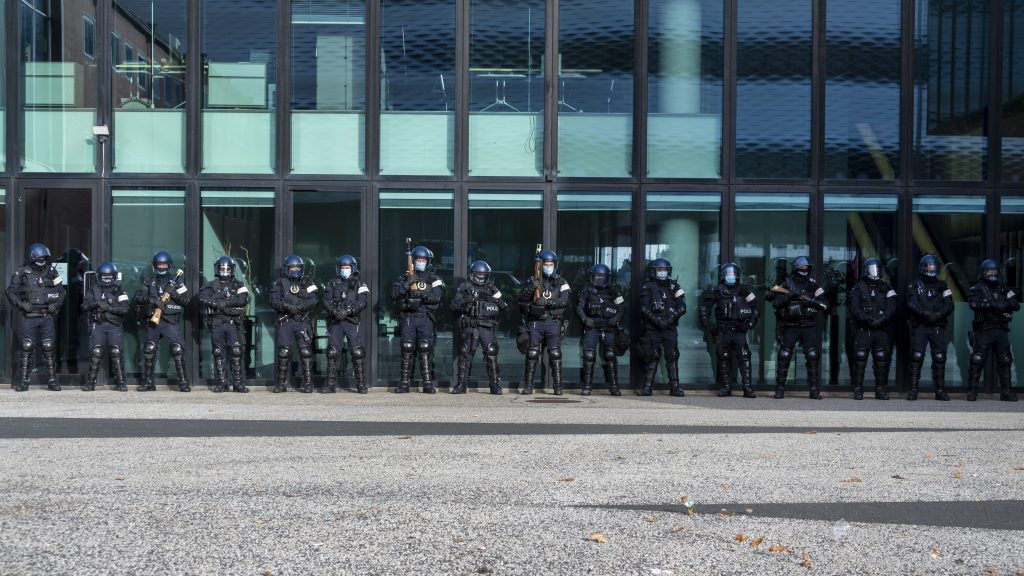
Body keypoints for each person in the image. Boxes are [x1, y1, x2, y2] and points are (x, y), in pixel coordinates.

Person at [7, 244, 66, 391]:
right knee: (27, 347)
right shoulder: (22, 272)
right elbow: (10, 292)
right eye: (40, 258)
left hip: (47, 315)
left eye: (45, 258)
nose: (43, 261)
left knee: (48, 346)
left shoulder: (52, 272)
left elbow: (61, 292)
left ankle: (52, 381)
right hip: (29, 315)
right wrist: (21, 304)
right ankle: (23, 381)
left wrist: (56, 305)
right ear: (32, 258)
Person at [769, 256, 828, 399]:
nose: (805, 270)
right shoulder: (787, 283)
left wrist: (810, 304)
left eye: (807, 267)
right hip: (790, 325)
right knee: (784, 355)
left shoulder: (813, 285)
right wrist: (789, 296)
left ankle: (814, 390)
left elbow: (824, 304)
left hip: (808, 325)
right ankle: (779, 389)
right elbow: (776, 303)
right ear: (796, 267)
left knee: (813, 356)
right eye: (802, 267)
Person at [134, 251, 191, 392]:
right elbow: (138, 297)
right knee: (149, 349)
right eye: (159, 265)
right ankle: (148, 382)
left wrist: (174, 293)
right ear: (154, 266)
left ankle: (183, 382)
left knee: (177, 350)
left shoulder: (177, 282)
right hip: (154, 321)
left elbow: (186, 301)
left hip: (170, 321)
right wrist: (153, 300)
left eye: (164, 264)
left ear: (169, 265)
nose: (161, 267)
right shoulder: (149, 282)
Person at [699, 262, 758, 398]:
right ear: (723, 276)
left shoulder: (745, 290)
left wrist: (749, 325)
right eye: (728, 274)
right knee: (723, 358)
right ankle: (726, 387)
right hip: (723, 331)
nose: (730, 276)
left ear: (737, 275)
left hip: (739, 331)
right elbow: (704, 310)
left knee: (744, 358)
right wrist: (710, 326)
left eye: (733, 274)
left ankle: (747, 388)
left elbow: (755, 309)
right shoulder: (717, 291)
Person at [392, 245, 444, 393]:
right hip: (408, 318)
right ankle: (404, 382)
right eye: (418, 260)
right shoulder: (404, 277)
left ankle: (427, 383)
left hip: (425, 318)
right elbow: (395, 295)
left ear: (428, 261)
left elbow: (437, 298)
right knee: (407, 348)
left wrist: (421, 298)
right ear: (413, 261)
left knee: (425, 348)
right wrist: (407, 284)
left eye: (423, 260)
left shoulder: (434, 278)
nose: (421, 262)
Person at [966, 259, 1020, 402]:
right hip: (984, 329)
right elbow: (973, 303)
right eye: (989, 271)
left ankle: (1006, 391)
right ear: (983, 272)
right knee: (977, 359)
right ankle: (972, 391)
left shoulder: (1004, 288)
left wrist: (1005, 305)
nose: (992, 274)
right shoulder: (976, 288)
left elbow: (1015, 304)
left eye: (995, 271)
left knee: (1005, 360)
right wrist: (993, 305)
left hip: (1001, 329)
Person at [518, 250, 570, 395]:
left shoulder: (562, 282)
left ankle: (558, 386)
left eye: (550, 264)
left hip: (553, 322)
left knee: (555, 353)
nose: (548, 267)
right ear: (540, 265)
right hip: (536, 323)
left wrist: (548, 302)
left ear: (555, 265)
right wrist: (530, 288)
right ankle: (528, 386)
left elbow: (564, 301)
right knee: (532, 353)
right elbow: (521, 299)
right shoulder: (533, 280)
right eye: (545, 264)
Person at [452, 260, 507, 394]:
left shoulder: (492, 288)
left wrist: (495, 300)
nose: (481, 277)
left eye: (484, 274)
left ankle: (494, 385)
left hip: (486, 327)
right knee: (465, 353)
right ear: (473, 273)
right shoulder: (464, 287)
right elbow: (453, 306)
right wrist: (465, 301)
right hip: (470, 325)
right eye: (479, 274)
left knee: (491, 352)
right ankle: (461, 384)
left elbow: (504, 306)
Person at [198, 257, 250, 393]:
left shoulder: (239, 284)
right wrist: (217, 304)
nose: (225, 271)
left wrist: (224, 303)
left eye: (227, 268)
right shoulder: (210, 285)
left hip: (233, 323)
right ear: (217, 269)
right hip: (216, 323)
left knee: (236, 351)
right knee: (218, 353)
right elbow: (202, 298)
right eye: (222, 268)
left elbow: (243, 300)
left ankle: (238, 384)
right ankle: (222, 383)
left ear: (232, 269)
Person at [846, 258, 896, 400]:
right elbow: (854, 308)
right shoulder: (858, 287)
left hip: (880, 329)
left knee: (881, 358)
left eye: (878, 269)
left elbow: (892, 307)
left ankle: (880, 390)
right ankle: (858, 389)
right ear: (866, 270)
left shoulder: (887, 288)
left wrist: (882, 320)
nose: (875, 272)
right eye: (872, 269)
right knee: (860, 357)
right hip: (864, 329)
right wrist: (866, 320)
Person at [906, 255, 953, 401]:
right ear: (922, 267)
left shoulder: (943, 285)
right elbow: (912, 304)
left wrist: (938, 315)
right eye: (928, 266)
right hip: (921, 325)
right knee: (917, 357)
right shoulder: (914, 285)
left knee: (939, 358)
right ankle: (913, 390)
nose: (931, 269)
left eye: (933, 266)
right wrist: (926, 314)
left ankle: (940, 391)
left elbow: (950, 304)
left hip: (937, 326)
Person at [270, 255, 319, 393]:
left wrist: (302, 307)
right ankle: (281, 383)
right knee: (283, 352)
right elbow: (273, 301)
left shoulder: (308, 282)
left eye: (297, 267)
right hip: (285, 321)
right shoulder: (279, 283)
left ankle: (308, 383)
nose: (295, 270)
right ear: (287, 269)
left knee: (305, 352)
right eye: (292, 268)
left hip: (301, 321)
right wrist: (287, 306)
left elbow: (315, 300)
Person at [638, 258, 686, 396]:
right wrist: (658, 321)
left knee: (672, 356)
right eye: (659, 269)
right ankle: (647, 388)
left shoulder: (675, 286)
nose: (662, 272)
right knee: (652, 357)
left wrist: (670, 319)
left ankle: (675, 387)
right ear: (654, 271)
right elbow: (644, 308)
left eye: (664, 269)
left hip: (670, 328)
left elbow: (682, 307)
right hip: (653, 328)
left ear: (668, 271)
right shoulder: (648, 287)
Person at [322, 255, 370, 394]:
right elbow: (326, 300)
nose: (345, 270)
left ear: (353, 268)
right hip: (336, 321)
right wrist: (334, 311)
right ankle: (330, 384)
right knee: (332, 352)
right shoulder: (332, 283)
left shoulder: (360, 284)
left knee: (357, 352)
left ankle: (361, 384)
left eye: (347, 268)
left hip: (351, 321)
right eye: (342, 268)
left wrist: (348, 311)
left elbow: (363, 302)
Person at [576, 263, 624, 396]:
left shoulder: (614, 290)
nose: (599, 278)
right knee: (589, 355)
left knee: (609, 355)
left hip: (609, 327)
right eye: (597, 275)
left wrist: (616, 319)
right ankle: (586, 386)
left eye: (602, 276)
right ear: (593, 276)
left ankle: (614, 386)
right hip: (592, 327)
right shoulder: (587, 290)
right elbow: (579, 307)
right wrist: (585, 319)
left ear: (607, 277)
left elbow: (621, 308)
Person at [80, 262, 129, 391]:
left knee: (116, 352)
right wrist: (96, 303)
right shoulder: (93, 289)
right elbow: (84, 306)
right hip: (98, 324)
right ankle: (91, 382)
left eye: (109, 276)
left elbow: (125, 308)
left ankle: (121, 382)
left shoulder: (119, 290)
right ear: (99, 276)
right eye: (104, 276)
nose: (106, 278)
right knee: (96, 352)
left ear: (113, 276)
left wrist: (110, 308)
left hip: (113, 325)